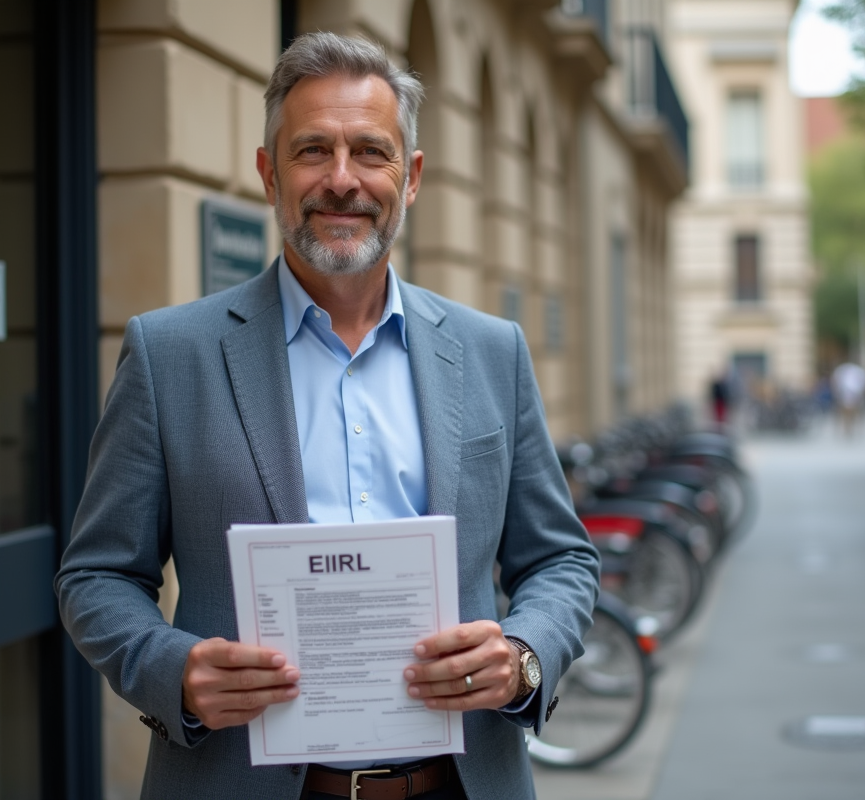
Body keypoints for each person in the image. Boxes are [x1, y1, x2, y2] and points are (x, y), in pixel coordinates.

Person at [55, 32, 600, 800]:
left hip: (459, 781)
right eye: (313, 151)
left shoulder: (490, 352)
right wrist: (171, 671)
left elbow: (561, 561)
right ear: (269, 172)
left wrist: (523, 656)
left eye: (370, 153)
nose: (341, 180)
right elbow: (97, 575)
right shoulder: (168, 354)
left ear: (409, 179)